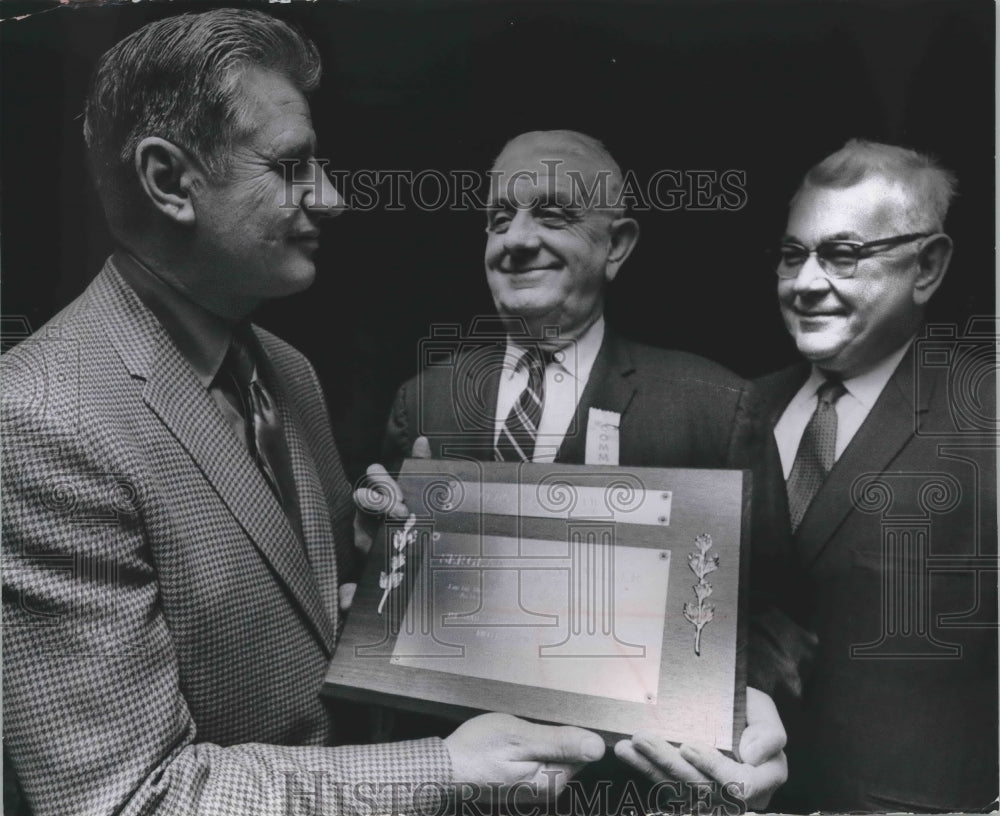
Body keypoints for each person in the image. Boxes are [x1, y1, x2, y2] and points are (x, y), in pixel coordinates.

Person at [0, 13, 609, 816]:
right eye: (292, 166)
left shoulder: (288, 371)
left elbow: (301, 613)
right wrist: (447, 769)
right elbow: (132, 799)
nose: (332, 196)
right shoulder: (40, 421)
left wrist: (374, 562)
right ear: (169, 180)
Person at [358, 129, 790, 811]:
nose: (516, 240)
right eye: (499, 218)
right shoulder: (424, 400)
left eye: (553, 215)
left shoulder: (714, 407)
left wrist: (740, 700)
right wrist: (380, 569)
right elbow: (381, 604)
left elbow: (777, 613)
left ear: (617, 245)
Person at [755, 139, 998, 812]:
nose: (805, 284)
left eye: (843, 255)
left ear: (927, 267)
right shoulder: (740, 407)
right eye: (792, 255)